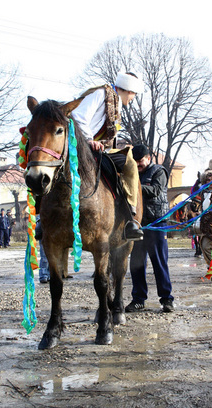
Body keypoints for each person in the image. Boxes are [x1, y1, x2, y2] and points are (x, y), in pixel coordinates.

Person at [72, 71, 144, 241]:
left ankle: (127, 219)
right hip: (83, 147)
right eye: (133, 94)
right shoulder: (101, 94)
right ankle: (41, 219)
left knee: (125, 163)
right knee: (131, 163)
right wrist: (89, 140)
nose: (132, 99)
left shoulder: (116, 103)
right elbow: (78, 116)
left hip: (100, 150)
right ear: (128, 90)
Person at [125, 144, 174, 313]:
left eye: (140, 161)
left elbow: (155, 190)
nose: (138, 165)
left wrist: (132, 184)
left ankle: (167, 299)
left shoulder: (159, 171)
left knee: (159, 262)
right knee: (136, 264)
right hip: (138, 224)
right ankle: (138, 299)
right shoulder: (132, 172)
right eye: (135, 162)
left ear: (148, 158)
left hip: (156, 222)